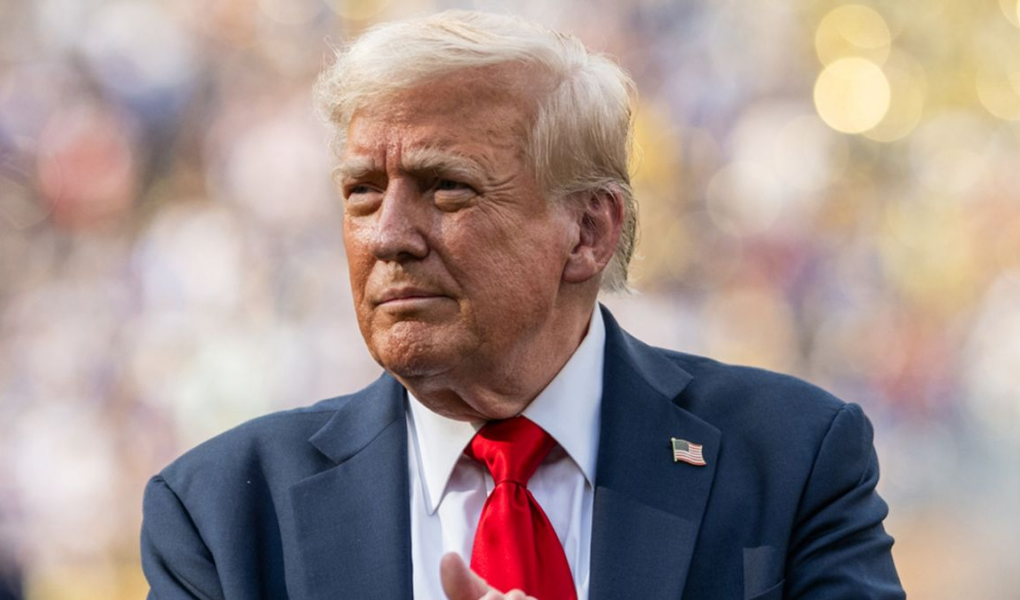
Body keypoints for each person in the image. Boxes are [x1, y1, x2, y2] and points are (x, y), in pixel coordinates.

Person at [140, 11, 904, 600]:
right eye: (362, 192)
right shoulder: (223, 513)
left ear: (589, 231)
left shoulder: (791, 458)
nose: (390, 236)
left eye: (447, 188)